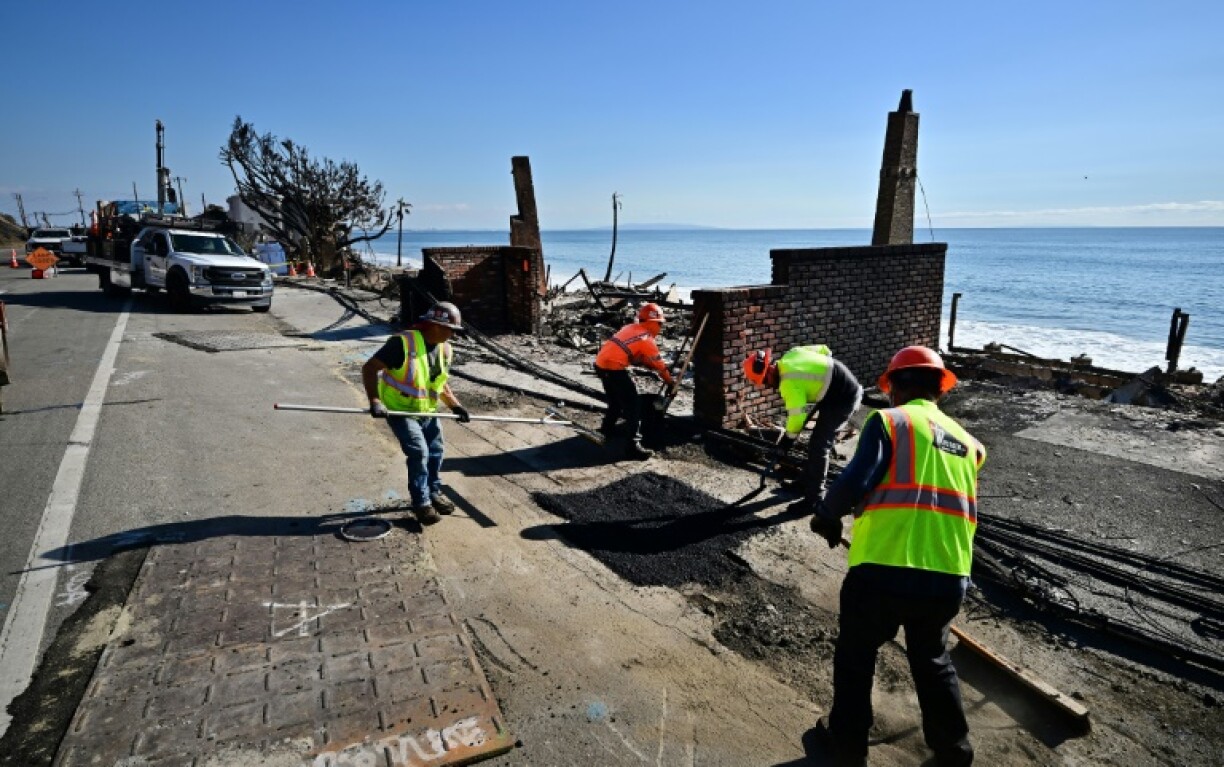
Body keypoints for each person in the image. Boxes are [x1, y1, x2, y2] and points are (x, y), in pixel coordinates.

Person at [808, 346, 985, 767]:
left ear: (896, 387)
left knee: (856, 653)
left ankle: (848, 745)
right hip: (948, 574)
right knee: (932, 660)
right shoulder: (971, 444)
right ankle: (954, 752)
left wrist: (827, 515)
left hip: (884, 568)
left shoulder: (889, 421)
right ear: (940, 389)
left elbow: (859, 476)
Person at [362, 301, 471, 526]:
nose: (453, 335)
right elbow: (370, 368)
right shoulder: (402, 343)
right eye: (451, 329)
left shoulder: (445, 349)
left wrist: (455, 405)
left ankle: (433, 492)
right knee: (419, 452)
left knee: (436, 451)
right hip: (400, 409)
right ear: (434, 325)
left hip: (427, 411)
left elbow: (438, 382)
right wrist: (374, 400)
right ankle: (421, 503)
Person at [742, 344, 863, 509]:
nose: (768, 386)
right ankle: (805, 483)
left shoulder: (788, 384)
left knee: (819, 445)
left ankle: (815, 497)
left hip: (844, 396)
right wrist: (822, 381)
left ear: (768, 371)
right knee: (815, 442)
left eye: (765, 382)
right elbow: (825, 350)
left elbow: (797, 419)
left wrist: (786, 442)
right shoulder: (792, 354)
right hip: (836, 385)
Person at [594, 302, 675, 460]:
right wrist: (670, 381)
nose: (661, 328)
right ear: (653, 323)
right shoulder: (647, 340)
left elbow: (630, 350)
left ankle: (606, 430)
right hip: (613, 367)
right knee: (633, 406)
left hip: (600, 363)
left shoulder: (630, 327)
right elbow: (659, 366)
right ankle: (633, 446)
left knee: (615, 401)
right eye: (660, 324)